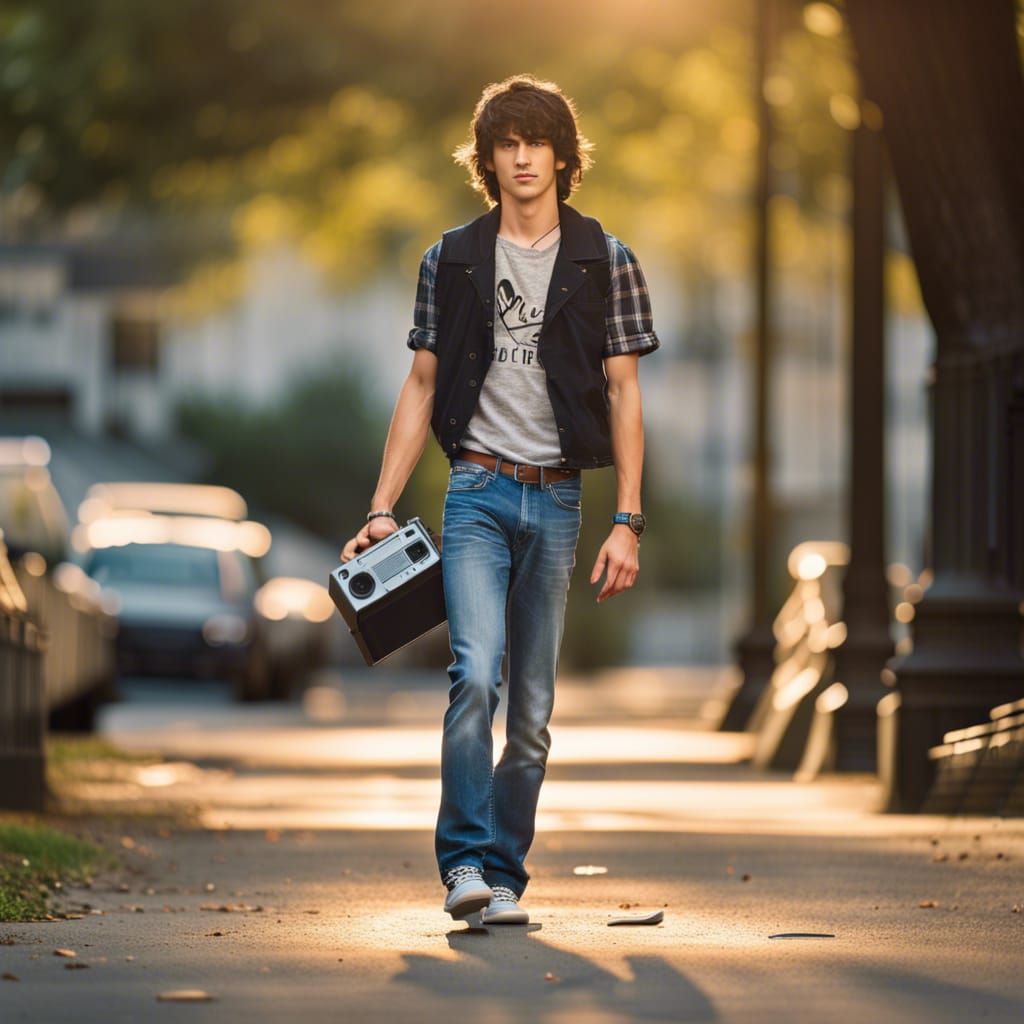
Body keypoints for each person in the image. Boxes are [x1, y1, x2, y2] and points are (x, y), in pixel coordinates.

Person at [340, 74, 659, 925]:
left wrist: (627, 519)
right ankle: (464, 869)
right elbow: (421, 382)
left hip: (557, 499)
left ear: (562, 155)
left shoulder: (607, 260)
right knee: (474, 674)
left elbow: (626, 396)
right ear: (487, 159)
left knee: (533, 711)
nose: (522, 157)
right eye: (506, 144)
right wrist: (381, 507)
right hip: (476, 491)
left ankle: (506, 874)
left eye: (536, 142)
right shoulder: (452, 258)